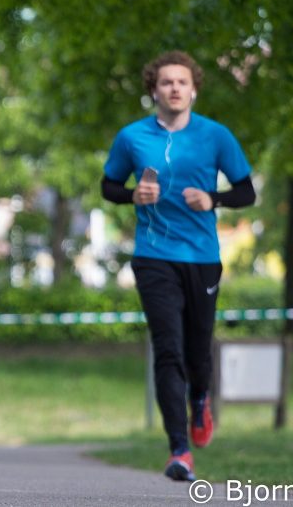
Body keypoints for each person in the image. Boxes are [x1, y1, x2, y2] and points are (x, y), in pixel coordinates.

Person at [100, 51, 256, 482]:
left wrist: (215, 199)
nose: (174, 88)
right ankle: (179, 450)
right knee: (168, 348)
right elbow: (109, 186)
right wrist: (132, 195)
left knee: (197, 352)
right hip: (153, 255)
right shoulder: (132, 137)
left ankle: (201, 399)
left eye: (182, 82)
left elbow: (246, 192)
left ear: (193, 90)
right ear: (154, 89)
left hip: (202, 258)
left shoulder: (216, 136)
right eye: (166, 82)